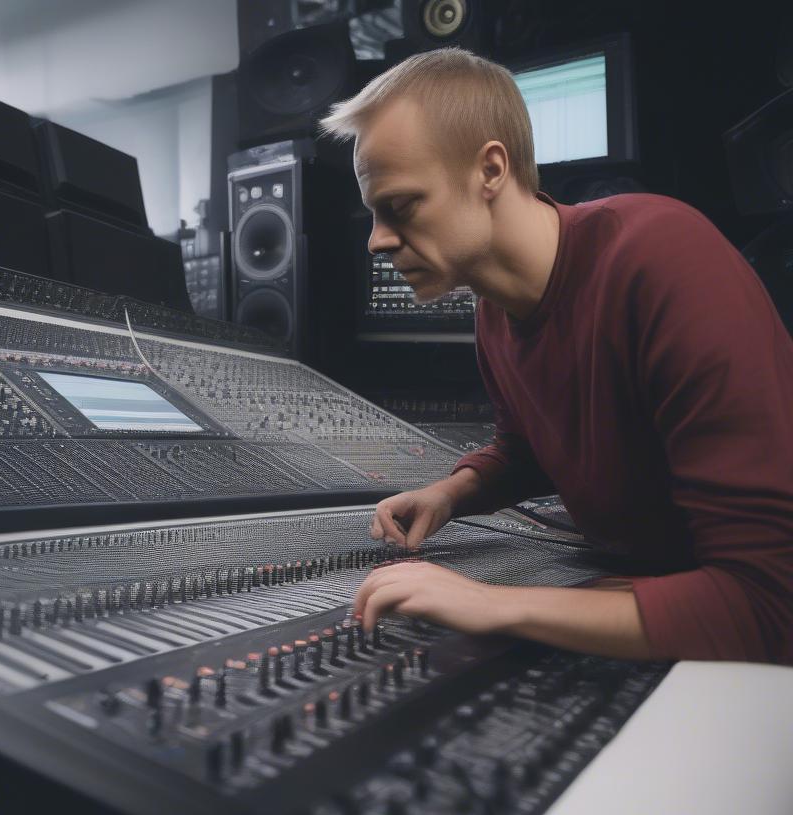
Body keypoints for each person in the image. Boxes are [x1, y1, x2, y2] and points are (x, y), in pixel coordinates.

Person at [319, 48, 793, 664]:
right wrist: (452, 494)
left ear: (491, 169)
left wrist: (493, 604)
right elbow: (529, 449)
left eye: (401, 207)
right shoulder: (496, 311)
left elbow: (768, 602)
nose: (376, 240)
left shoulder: (662, 257)